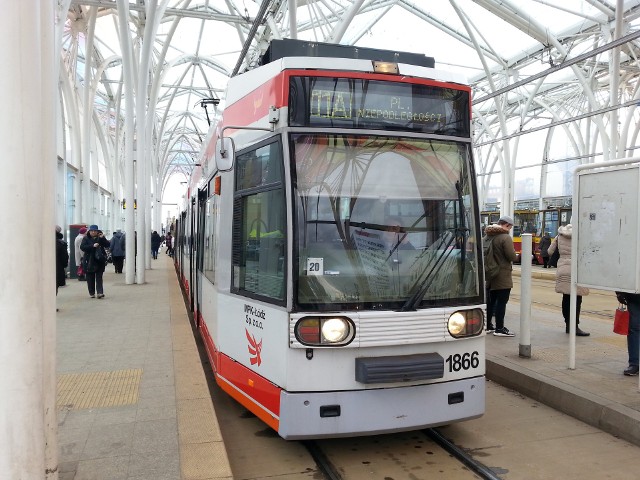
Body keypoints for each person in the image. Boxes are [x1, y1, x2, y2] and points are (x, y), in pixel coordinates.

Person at [547, 223, 590, 336]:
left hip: (563, 268)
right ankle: (574, 327)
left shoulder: (559, 235)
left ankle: (568, 325)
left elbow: (550, 252)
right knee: (577, 299)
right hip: (577, 268)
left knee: (566, 297)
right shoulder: (582, 235)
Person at [483, 215, 518, 337]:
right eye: (510, 227)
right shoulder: (505, 237)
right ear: (507, 225)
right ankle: (499, 328)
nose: (510, 229)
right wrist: (518, 256)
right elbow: (511, 256)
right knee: (502, 302)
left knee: (491, 302)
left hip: (490, 274)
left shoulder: (487, 237)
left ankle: (488, 326)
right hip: (502, 274)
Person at [81, 224, 110, 298]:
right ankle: (92, 292)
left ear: (97, 231)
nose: (93, 232)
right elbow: (82, 247)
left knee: (99, 277)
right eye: (92, 231)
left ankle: (100, 292)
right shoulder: (86, 238)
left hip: (99, 260)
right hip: (89, 260)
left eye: (95, 231)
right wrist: (92, 246)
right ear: (89, 231)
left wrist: (103, 238)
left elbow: (107, 244)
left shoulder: (100, 237)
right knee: (90, 278)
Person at [616, 292, 640, 376]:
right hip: (634, 295)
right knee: (634, 328)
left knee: (634, 328)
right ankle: (634, 363)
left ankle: (634, 364)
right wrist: (619, 292)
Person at [56, 229, 69, 296]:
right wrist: (64, 265)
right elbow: (64, 257)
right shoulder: (61, 243)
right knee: (55, 286)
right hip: (58, 268)